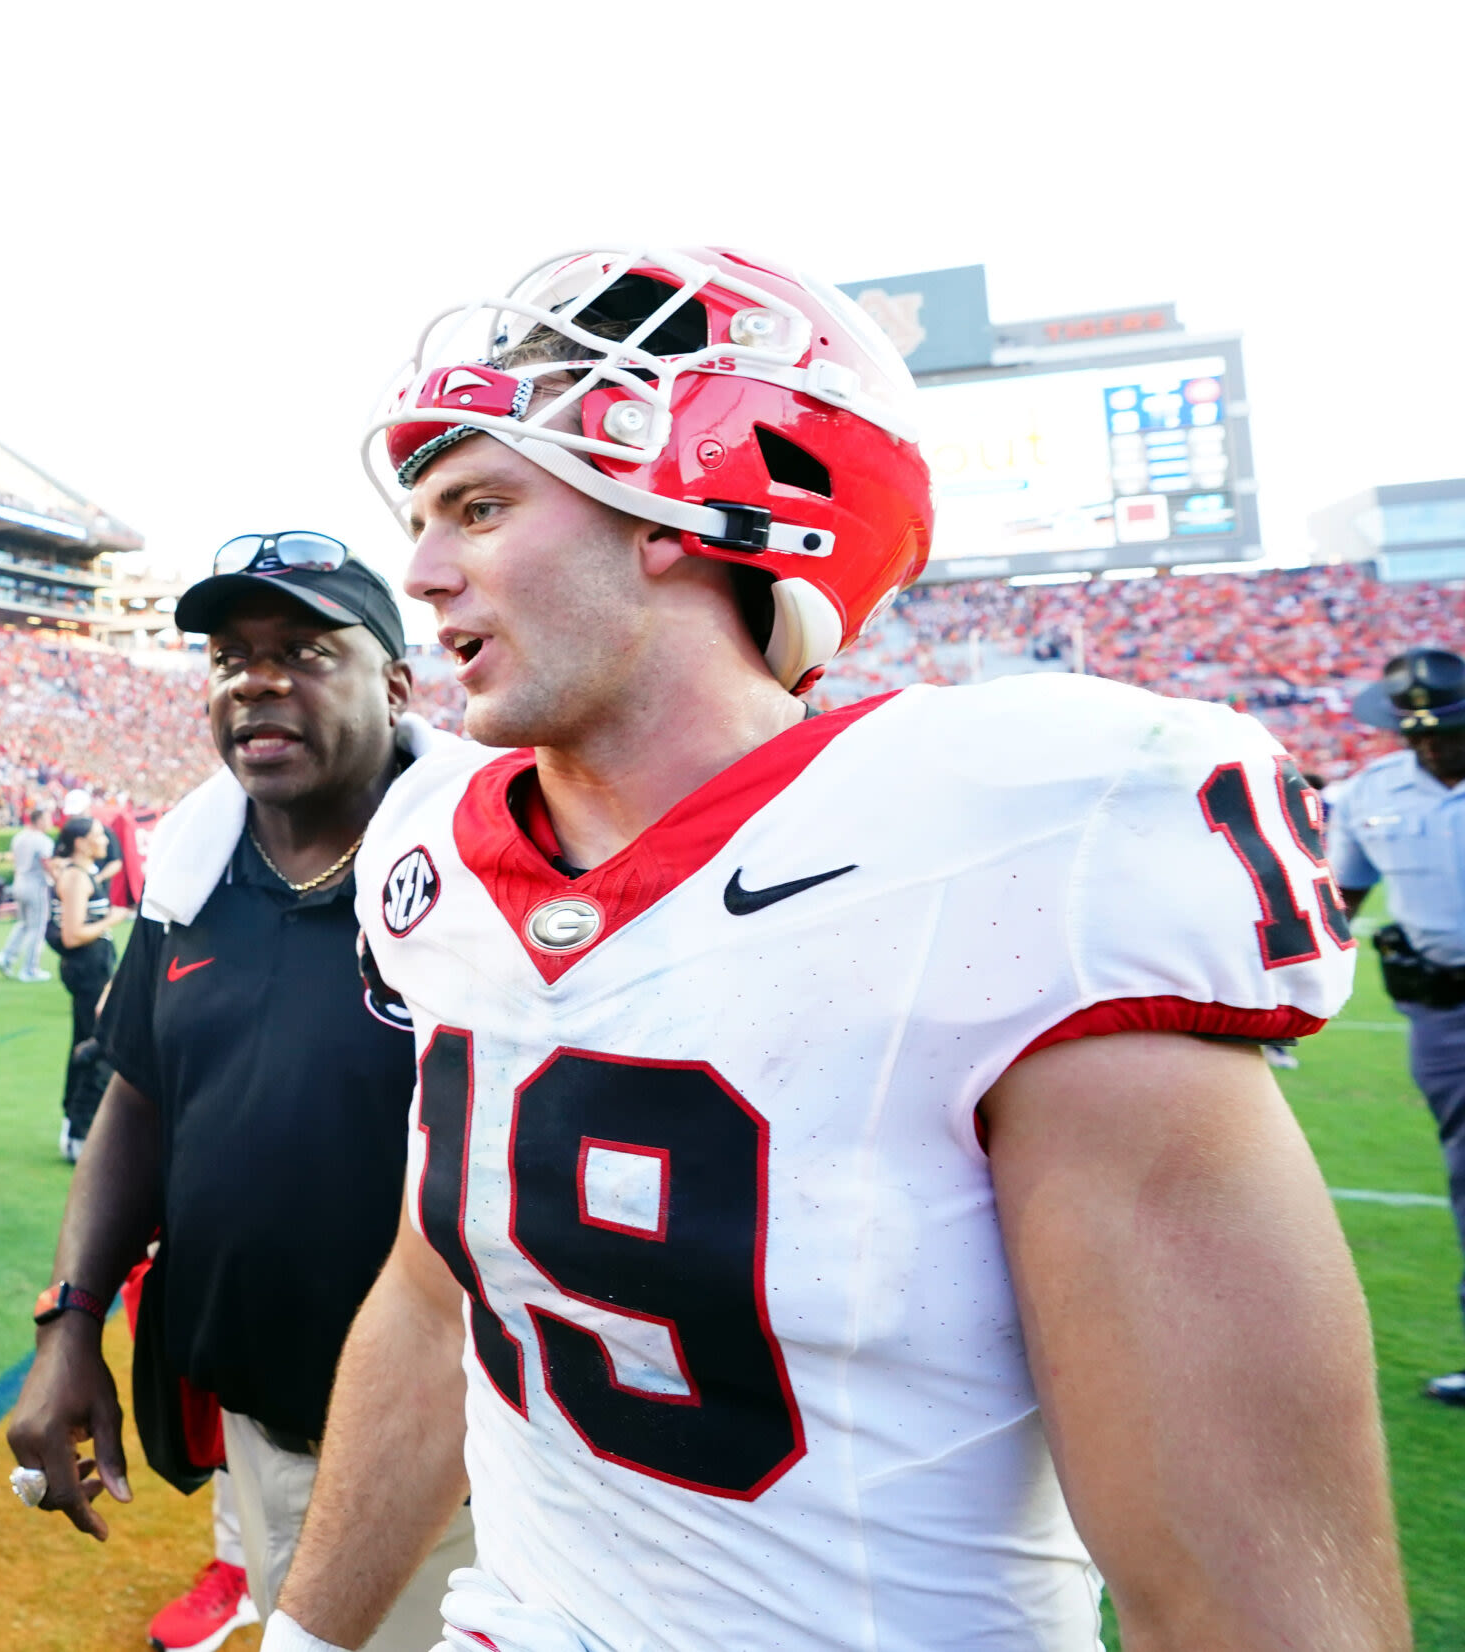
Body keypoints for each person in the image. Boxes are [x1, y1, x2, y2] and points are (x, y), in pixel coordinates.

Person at [260, 247, 1401, 1651]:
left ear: (682, 508)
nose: (422, 574)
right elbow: (440, 1296)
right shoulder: (432, 851)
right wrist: (306, 1636)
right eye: (427, 519)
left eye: (480, 508)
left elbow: (1253, 1607)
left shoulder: (1023, 836)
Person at [6, 543, 472, 1652]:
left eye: (305, 652)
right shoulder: (193, 874)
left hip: (446, 1452)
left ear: (396, 685)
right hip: (261, 1428)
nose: (256, 681)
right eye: (231, 657)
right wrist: (70, 1316)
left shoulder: (475, 860)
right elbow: (142, 1097)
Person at [1327, 646, 1465, 1406]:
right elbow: (1339, 899)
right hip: (1444, 1015)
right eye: (1413, 732)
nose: (1427, 745)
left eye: (1444, 729)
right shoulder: (1371, 794)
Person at [44, 816, 119, 1161]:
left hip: (94, 969)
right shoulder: (76, 878)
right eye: (98, 835)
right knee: (96, 1045)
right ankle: (80, 1131)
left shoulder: (84, 874)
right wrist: (111, 920)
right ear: (80, 842)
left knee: (87, 1041)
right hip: (87, 972)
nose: (105, 839)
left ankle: (76, 1124)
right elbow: (73, 934)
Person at [0, 805, 55, 982]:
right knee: (37, 928)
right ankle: (30, 969)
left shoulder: (19, 837)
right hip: (36, 884)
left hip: (19, 882)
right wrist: (58, 880)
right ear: (39, 821)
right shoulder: (42, 840)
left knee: (23, 924)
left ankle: (6, 956)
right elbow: (46, 863)